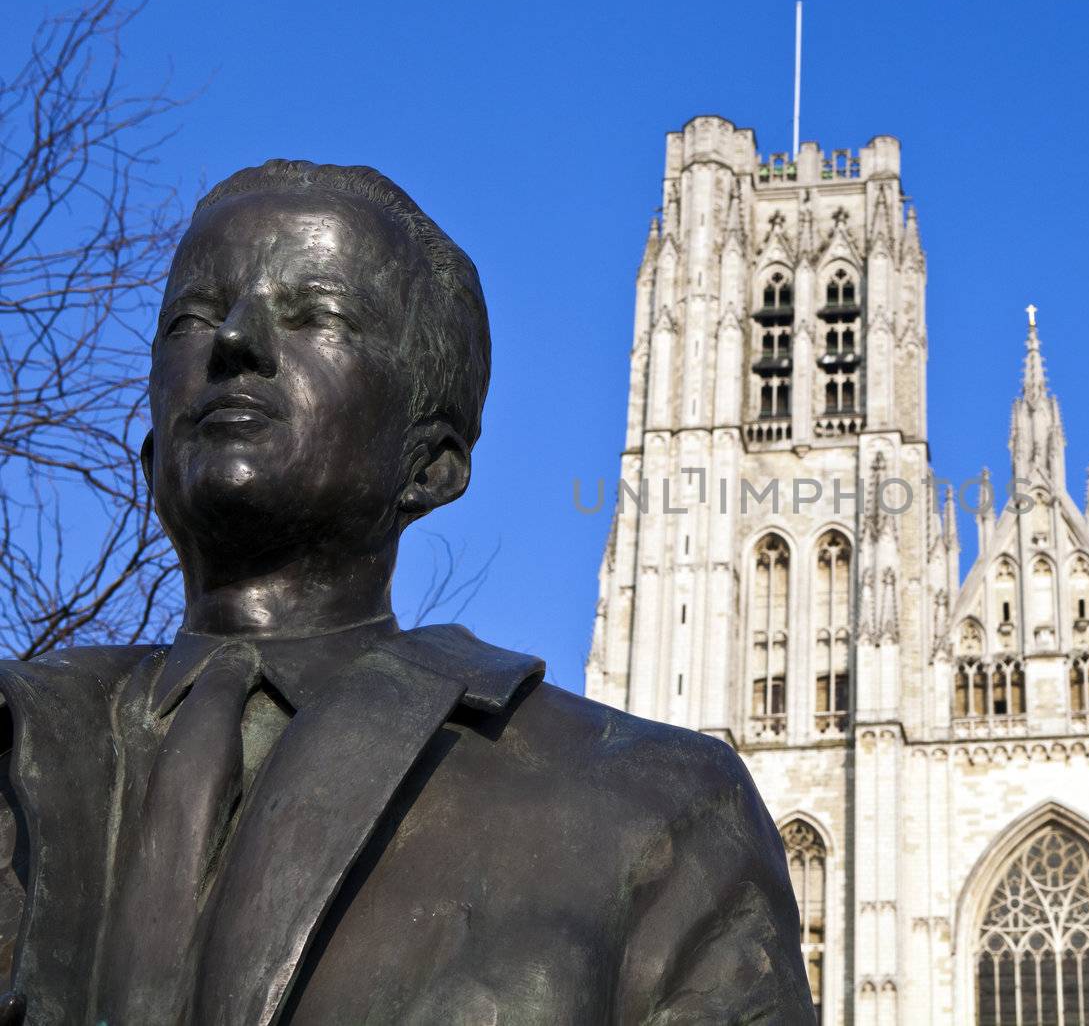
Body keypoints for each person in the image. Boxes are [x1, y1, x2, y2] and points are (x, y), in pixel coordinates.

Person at [0, 160, 813, 1024]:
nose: (232, 341)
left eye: (319, 314)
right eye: (190, 318)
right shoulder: (19, 744)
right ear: (154, 454)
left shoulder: (657, 804)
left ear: (433, 463)